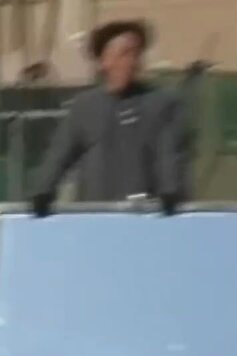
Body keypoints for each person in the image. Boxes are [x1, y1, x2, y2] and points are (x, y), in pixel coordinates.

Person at [31, 19, 190, 216]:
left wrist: (170, 192)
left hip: (148, 219)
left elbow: (169, 155)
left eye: (136, 54)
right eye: (124, 54)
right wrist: (43, 191)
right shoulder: (85, 107)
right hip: (97, 219)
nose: (132, 62)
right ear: (104, 61)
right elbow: (59, 154)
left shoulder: (161, 103)